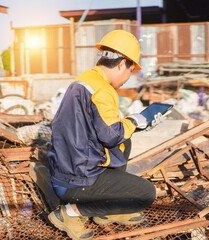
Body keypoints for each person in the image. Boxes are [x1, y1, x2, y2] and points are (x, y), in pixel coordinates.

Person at [47, 30, 156, 240]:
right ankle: (69, 214)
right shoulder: (103, 90)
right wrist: (134, 121)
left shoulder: (86, 79)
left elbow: (107, 132)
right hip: (76, 180)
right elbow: (111, 136)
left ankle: (106, 211)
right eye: (131, 70)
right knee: (145, 194)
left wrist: (133, 127)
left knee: (127, 142)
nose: (128, 78)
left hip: (66, 168)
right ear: (121, 64)